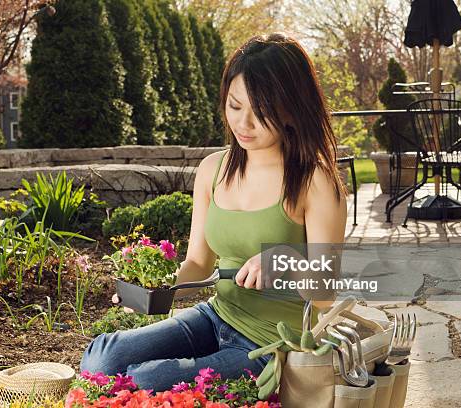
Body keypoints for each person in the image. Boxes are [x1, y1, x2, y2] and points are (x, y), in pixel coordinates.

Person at [80, 32, 347, 392]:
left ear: (291, 109)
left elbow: (325, 292)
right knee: (102, 357)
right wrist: (152, 291)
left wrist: (285, 260)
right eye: (235, 106)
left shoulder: (314, 180)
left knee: (145, 380)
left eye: (261, 112)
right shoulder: (214, 169)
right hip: (217, 316)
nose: (244, 123)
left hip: (274, 343)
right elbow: (198, 264)